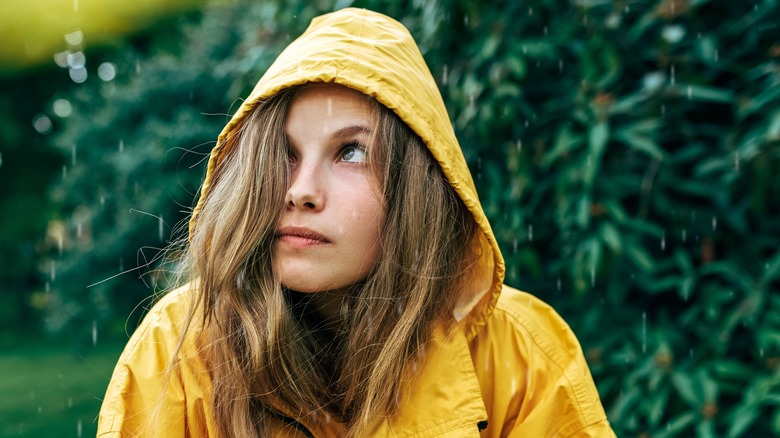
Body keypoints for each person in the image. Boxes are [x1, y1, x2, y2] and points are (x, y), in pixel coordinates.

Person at [98, 7, 615, 437]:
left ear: (415, 189)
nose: (300, 190)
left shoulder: (519, 351)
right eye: (283, 153)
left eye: (350, 152)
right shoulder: (179, 347)